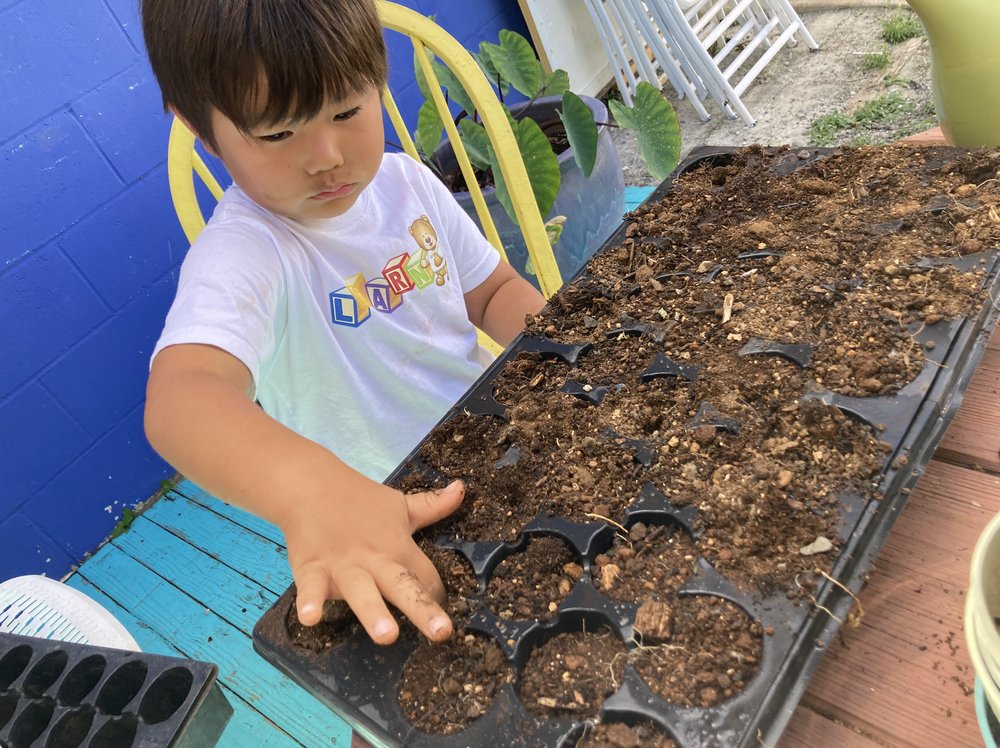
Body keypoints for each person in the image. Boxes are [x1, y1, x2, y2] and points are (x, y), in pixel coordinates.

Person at [140, 0, 546, 646]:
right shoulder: (247, 253)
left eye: (348, 111)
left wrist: (560, 346)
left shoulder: (408, 184)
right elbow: (181, 399)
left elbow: (494, 291)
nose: (325, 157)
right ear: (201, 130)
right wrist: (312, 493)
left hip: (496, 440)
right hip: (372, 512)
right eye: (278, 134)